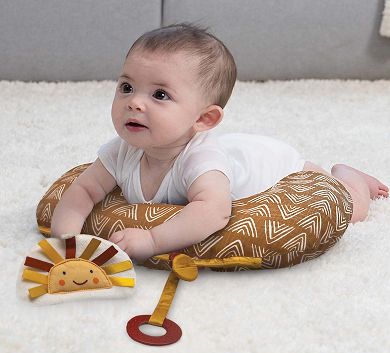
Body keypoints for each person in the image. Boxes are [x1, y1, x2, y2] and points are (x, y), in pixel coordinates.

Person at [51, 23, 389, 261]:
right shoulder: (120, 151)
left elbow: (212, 213)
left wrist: (153, 239)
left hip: (277, 166)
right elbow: (83, 191)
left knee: (351, 209)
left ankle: (352, 177)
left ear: (203, 119)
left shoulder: (202, 162)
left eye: (159, 94)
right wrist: (67, 240)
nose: (134, 103)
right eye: (126, 87)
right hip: (239, 149)